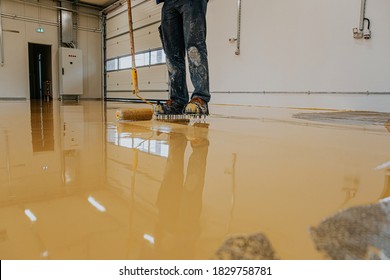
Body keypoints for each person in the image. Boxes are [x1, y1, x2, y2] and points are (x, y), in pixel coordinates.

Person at [155, 0, 210, 116]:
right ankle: (177, 101)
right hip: (168, 3)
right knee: (172, 55)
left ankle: (200, 99)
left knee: (194, 49)